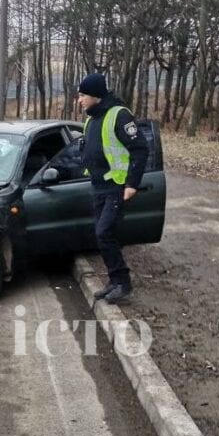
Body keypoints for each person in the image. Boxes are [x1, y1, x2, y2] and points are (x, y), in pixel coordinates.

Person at [77, 73, 150, 304]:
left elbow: (140, 149)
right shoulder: (91, 119)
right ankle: (114, 280)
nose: (79, 100)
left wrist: (131, 184)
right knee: (101, 236)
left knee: (104, 232)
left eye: (82, 95)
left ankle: (123, 283)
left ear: (95, 95)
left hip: (116, 186)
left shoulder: (119, 115)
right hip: (98, 186)